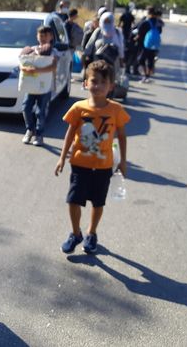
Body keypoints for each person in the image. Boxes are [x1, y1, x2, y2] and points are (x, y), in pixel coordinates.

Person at [55, 59, 129, 254]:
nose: (98, 86)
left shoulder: (116, 110)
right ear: (85, 83)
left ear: (111, 86)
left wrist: (122, 161)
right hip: (79, 163)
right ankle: (75, 233)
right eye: (94, 81)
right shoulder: (79, 108)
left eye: (103, 82)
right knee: (73, 200)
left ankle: (91, 233)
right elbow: (70, 134)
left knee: (98, 202)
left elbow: (121, 136)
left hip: (104, 166)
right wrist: (62, 158)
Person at [20, 25, 59, 147]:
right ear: (37, 37)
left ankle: (39, 134)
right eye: (40, 36)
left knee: (41, 111)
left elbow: (53, 67)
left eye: (45, 36)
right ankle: (30, 129)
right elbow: (21, 63)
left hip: (45, 87)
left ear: (51, 37)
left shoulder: (53, 51)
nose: (42, 38)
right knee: (26, 108)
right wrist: (24, 68)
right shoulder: (31, 50)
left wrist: (37, 70)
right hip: (31, 86)